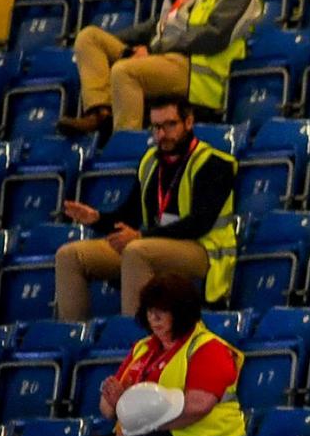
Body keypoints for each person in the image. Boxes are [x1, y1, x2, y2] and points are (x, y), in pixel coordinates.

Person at [56, 272, 246, 436]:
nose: (154, 318)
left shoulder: (208, 348)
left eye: (162, 311)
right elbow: (107, 408)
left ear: (180, 311)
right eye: (149, 310)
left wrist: (141, 430)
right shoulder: (143, 348)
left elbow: (198, 406)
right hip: (146, 435)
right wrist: (114, 402)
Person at [55, 95, 237, 321]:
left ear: (188, 122)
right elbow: (130, 215)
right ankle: (75, 337)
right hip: (153, 244)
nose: (162, 134)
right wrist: (97, 218)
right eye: (156, 127)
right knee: (70, 255)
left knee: (136, 251)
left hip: (202, 249)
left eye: (170, 125)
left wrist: (141, 235)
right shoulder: (151, 161)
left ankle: (138, 343)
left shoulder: (213, 163)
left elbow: (198, 224)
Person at [63, 0, 261, 137]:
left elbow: (215, 36)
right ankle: (99, 112)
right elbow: (159, 28)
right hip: (165, 60)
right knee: (89, 38)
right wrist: (119, 43)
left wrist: (152, 50)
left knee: (124, 71)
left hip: (196, 72)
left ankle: (126, 144)